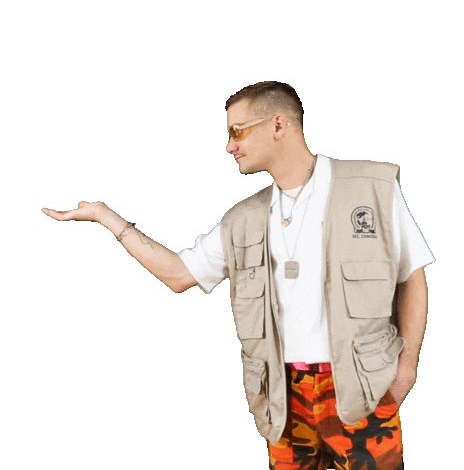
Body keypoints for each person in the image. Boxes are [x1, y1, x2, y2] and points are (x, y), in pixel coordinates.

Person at [41, 82, 434, 469]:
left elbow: (411, 275)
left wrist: (407, 368)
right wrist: (107, 218)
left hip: (361, 387)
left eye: (238, 131)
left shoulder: (371, 186)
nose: (230, 145)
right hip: (282, 397)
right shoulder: (242, 219)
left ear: (278, 124)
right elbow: (178, 274)